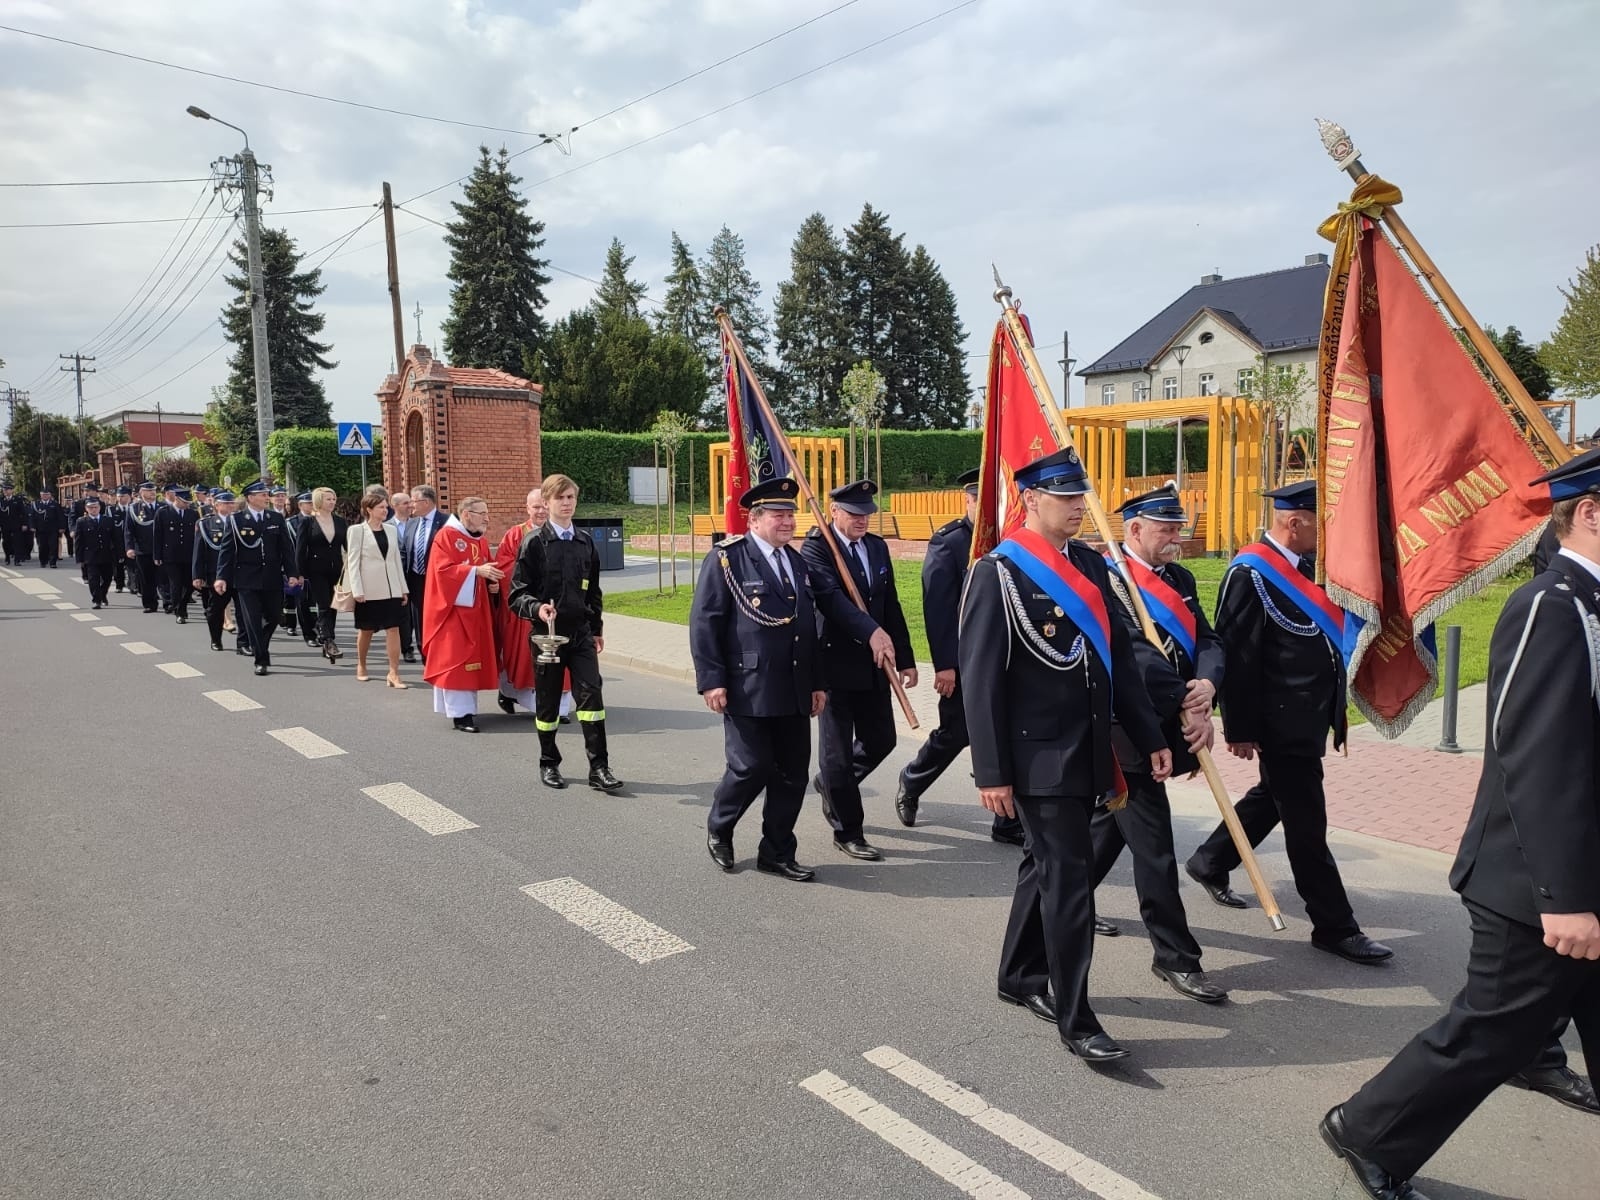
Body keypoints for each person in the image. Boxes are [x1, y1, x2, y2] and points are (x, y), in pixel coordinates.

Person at [1321, 447, 1600, 1200]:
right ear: (1592, 513)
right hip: (1535, 882)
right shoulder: (1552, 606)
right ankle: (1366, 1130)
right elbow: (1539, 760)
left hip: (1582, 874)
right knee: (1490, 1030)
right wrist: (1565, 896)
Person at [961, 446, 1169, 1065]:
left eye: (1082, 496)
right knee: (1071, 883)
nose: (1079, 506)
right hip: (1037, 758)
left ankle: (1019, 974)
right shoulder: (998, 571)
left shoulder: (1090, 565)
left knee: (1044, 870)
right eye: (1065, 495)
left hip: (1091, 751)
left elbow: (1120, 663)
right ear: (1030, 499)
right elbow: (980, 680)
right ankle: (1077, 1018)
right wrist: (992, 771)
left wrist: (1152, 737)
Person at [1184, 480, 1392, 966]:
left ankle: (1209, 861)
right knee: (1306, 823)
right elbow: (1239, 654)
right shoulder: (1250, 572)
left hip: (1307, 718)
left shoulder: (1312, 570)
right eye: (1320, 524)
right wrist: (1239, 726)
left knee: (1273, 797)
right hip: (1278, 721)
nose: (1328, 534)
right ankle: (1334, 926)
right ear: (1294, 522)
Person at [1090, 485, 1228, 1004]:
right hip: (1128, 730)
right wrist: (1187, 701)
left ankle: (1055, 905)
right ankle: (1176, 957)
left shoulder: (1181, 579)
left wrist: (1209, 687)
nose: (1176, 538)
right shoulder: (1107, 580)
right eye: (1166, 529)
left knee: (1108, 828)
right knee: (1155, 848)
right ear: (1134, 530)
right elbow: (1130, 656)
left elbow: (1209, 640)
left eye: (1178, 528)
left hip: (1170, 720)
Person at [692, 477, 824, 880]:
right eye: (779, 515)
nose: (788, 522)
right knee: (750, 766)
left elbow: (809, 627)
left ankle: (777, 850)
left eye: (791, 514)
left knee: (792, 774)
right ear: (755, 519)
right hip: (747, 685)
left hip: (794, 686)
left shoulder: (796, 561)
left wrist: (817, 682)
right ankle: (720, 826)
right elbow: (705, 621)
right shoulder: (727, 559)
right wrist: (712, 679)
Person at [895, 468, 1024, 844]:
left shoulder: (1010, 539)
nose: (985, 509)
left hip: (1008, 660)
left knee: (1010, 734)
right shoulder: (948, 543)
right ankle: (912, 780)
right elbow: (937, 609)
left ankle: (1007, 821)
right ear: (966, 501)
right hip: (965, 662)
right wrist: (945, 665)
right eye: (977, 501)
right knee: (957, 733)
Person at [801, 479, 916, 861]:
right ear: (835, 512)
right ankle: (848, 829)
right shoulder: (818, 547)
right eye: (853, 513)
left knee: (882, 740)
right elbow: (832, 601)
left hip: (873, 664)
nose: (862, 520)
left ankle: (832, 785)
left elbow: (890, 604)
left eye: (867, 513)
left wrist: (907, 656)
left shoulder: (877, 547)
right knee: (836, 754)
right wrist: (872, 632)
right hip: (833, 664)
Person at [508, 474, 621, 790]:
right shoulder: (534, 543)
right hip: (548, 638)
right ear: (546, 502)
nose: (567, 503)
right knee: (548, 703)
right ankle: (549, 763)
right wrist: (537, 608)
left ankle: (599, 768)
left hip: (581, 634)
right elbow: (516, 594)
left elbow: (593, 591)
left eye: (571, 497)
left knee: (592, 699)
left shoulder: (585, 542)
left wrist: (596, 628)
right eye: (560, 498)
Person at [421, 497, 503, 732]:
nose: (487, 518)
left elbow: (488, 569)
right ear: (466, 514)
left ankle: (468, 709)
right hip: (453, 613)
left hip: (477, 611)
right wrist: (476, 571)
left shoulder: (481, 541)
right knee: (456, 660)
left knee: (473, 660)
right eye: (482, 513)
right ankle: (460, 714)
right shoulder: (446, 537)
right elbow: (442, 572)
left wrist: (491, 584)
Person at [216, 480, 299, 676]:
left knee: (274, 616)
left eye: (266, 494)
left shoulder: (275, 518)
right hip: (246, 578)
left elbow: (286, 548)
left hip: (272, 577)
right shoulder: (236, 519)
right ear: (250, 498)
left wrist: (292, 573)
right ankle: (261, 659)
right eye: (262, 494)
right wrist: (221, 576)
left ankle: (259, 643)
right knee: (252, 619)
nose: (266, 497)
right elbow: (226, 550)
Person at [343, 492, 409, 687]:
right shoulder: (357, 531)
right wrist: (357, 589)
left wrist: (402, 588)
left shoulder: (390, 530)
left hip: (391, 588)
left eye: (386, 506)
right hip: (368, 589)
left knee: (394, 629)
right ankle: (361, 664)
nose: (385, 509)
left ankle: (394, 673)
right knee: (367, 630)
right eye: (381, 507)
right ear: (369, 510)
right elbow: (352, 562)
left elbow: (396, 560)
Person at [494, 487, 548, 714]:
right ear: (527, 508)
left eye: (545, 505)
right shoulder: (515, 534)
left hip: (553, 604)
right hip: (525, 605)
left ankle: (553, 702)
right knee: (523, 654)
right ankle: (511, 692)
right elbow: (504, 566)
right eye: (536, 507)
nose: (541, 511)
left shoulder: (560, 530)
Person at [296, 487, 348, 663]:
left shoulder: (340, 522)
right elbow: (300, 550)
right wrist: (300, 573)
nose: (332, 502)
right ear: (319, 501)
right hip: (315, 570)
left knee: (333, 606)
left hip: (336, 570)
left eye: (333, 499)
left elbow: (348, 547)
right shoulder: (308, 522)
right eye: (328, 499)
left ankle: (327, 638)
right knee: (324, 604)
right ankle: (328, 639)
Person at [399, 485, 444, 664]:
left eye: (413, 501)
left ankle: (438, 651)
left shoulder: (447, 521)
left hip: (437, 579)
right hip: (416, 578)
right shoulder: (411, 523)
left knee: (436, 617)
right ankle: (425, 653)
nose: (411, 505)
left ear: (425, 502)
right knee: (419, 618)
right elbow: (404, 552)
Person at [191, 490, 235, 651]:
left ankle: (244, 643)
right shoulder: (205, 524)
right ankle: (216, 639)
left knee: (245, 611)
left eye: (232, 503)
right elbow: (199, 551)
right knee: (215, 610)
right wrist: (197, 575)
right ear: (216, 505)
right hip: (216, 573)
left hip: (239, 572)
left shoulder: (241, 521)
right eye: (226, 503)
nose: (231, 506)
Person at [154, 487, 199, 624]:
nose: (187, 505)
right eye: (185, 502)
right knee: (175, 584)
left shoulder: (193, 514)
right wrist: (157, 555)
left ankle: (183, 603)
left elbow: (197, 537)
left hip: (189, 554)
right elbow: (158, 535)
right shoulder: (163, 513)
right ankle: (179, 611)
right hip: (170, 555)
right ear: (177, 499)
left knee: (190, 584)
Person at [73, 495, 120, 608]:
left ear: (99, 508)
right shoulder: (82, 521)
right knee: (93, 579)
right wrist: (79, 558)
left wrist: (118, 553)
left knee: (108, 578)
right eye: (90, 507)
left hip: (106, 555)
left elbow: (115, 538)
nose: (93, 509)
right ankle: (96, 600)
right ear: (86, 508)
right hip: (90, 556)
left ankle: (102, 594)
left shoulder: (108, 520)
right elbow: (79, 541)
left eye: (95, 507)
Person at [125, 480, 162, 612]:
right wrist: (129, 547)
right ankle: (149, 604)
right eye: (149, 490)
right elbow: (129, 530)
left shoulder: (162, 507)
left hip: (161, 549)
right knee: (146, 578)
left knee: (164, 578)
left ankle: (169, 603)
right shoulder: (134, 508)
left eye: (154, 490)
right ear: (141, 493)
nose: (152, 493)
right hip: (142, 548)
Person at [290, 493, 318, 643]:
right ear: (300, 505)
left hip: (319, 567)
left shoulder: (321, 520)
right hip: (300, 567)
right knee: (303, 602)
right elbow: (290, 549)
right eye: (308, 503)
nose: (311, 506)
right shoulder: (291, 523)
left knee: (320, 602)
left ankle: (321, 630)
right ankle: (309, 633)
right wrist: (295, 572)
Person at [71, 481, 102, 581]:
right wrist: (72, 529)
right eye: (84, 491)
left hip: (97, 531)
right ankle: (85, 574)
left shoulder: (101, 504)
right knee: (84, 553)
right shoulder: (78, 503)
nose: (86, 493)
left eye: (88, 491)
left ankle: (99, 574)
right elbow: (72, 518)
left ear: (95, 492)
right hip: (83, 532)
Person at [107, 485, 132, 592]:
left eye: (124, 496)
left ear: (129, 497)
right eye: (119, 496)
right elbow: (108, 528)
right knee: (118, 565)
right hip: (116, 542)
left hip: (130, 542)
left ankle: (133, 585)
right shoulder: (111, 510)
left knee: (132, 565)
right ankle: (119, 584)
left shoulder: (133, 509)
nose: (121, 498)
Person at [32, 489, 65, 567]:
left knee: (53, 546)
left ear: (50, 495)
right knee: (42, 546)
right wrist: (32, 526)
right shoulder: (36, 504)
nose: (45, 496)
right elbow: (32, 517)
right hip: (40, 529)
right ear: (40, 495)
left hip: (53, 529)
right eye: (43, 494)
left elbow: (60, 516)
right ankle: (43, 561)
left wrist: (62, 527)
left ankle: (52, 562)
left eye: (47, 494)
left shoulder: (55, 504)